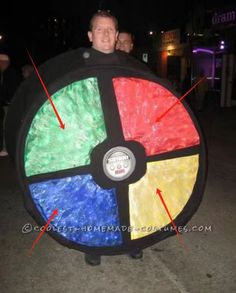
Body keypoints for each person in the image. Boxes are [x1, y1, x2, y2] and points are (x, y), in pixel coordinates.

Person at [84, 11, 144, 265]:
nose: (106, 34)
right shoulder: (78, 66)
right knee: (96, 194)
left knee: (131, 191)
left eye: (111, 30)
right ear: (90, 35)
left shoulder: (130, 65)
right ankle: (94, 245)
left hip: (127, 138)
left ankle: (132, 240)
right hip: (93, 140)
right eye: (100, 29)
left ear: (117, 35)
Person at [0, 54, 21, 157]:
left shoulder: (11, 73)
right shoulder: (4, 73)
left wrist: (8, 100)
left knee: (7, 126)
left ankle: (6, 148)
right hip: (5, 104)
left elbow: (12, 90)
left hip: (9, 104)